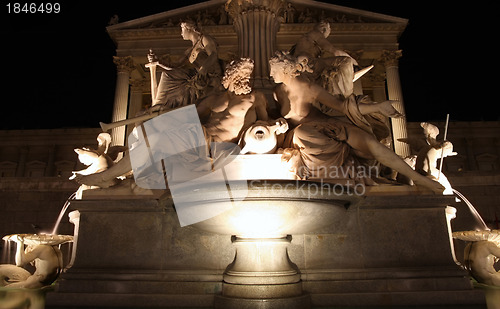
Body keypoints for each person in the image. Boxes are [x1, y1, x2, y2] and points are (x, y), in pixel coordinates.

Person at [74, 59, 278, 188]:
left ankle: (106, 176)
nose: (245, 79)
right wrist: (157, 113)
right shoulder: (215, 98)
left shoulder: (255, 97)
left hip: (214, 146)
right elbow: (188, 115)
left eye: (247, 76)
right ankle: (117, 172)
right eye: (241, 74)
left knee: (157, 141)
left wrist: (278, 124)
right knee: (150, 131)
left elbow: (266, 121)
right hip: (199, 134)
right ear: (230, 76)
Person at [269, 51, 444, 193]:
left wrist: (377, 107)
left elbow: (343, 106)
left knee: (371, 144)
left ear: (285, 68)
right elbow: (276, 117)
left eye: (273, 69)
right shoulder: (277, 92)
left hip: (328, 126)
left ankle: (418, 178)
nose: (270, 74)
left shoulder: (309, 87)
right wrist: (279, 122)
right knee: (302, 133)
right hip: (304, 133)